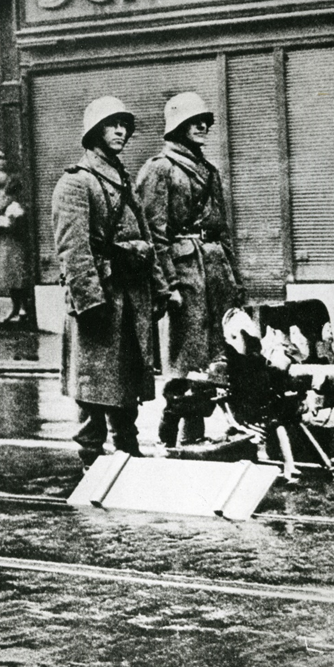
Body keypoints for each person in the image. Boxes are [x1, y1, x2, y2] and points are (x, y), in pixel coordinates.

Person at [52, 96, 169, 468]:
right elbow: (73, 251)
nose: (120, 131)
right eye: (111, 124)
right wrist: (90, 304)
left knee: (127, 383)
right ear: (94, 132)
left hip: (130, 294)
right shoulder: (76, 182)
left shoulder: (122, 177)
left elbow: (146, 237)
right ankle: (91, 460)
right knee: (93, 387)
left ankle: (128, 453)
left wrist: (160, 289)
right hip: (101, 297)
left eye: (123, 125)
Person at [135, 92, 245, 447]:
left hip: (214, 272)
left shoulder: (209, 171)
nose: (202, 127)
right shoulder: (159, 169)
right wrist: (167, 284)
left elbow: (223, 229)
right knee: (186, 359)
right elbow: (153, 233)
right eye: (194, 121)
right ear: (177, 127)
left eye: (205, 122)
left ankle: (195, 436)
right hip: (184, 275)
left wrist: (234, 280)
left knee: (218, 358)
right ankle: (171, 433)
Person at [0, 159, 32, 323]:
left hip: (16, 239)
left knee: (19, 273)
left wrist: (14, 217)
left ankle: (23, 307)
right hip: (5, 239)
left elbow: (24, 211)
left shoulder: (16, 190)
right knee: (9, 275)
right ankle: (15, 306)